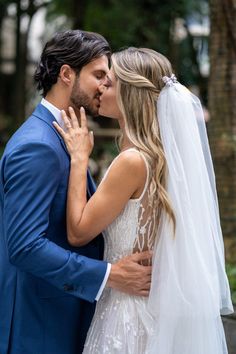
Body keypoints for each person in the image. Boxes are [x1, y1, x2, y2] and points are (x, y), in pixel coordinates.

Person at [54, 47, 234, 354]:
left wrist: (79, 159)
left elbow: (78, 231)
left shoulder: (133, 161)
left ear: (129, 94)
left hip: (127, 316)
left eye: (109, 83)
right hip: (147, 307)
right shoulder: (163, 159)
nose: (100, 87)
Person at [0, 32, 152, 354]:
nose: (105, 85)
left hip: (68, 316)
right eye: (99, 75)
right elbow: (25, 247)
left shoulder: (67, 136)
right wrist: (109, 275)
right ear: (67, 74)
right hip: (39, 327)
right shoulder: (37, 146)